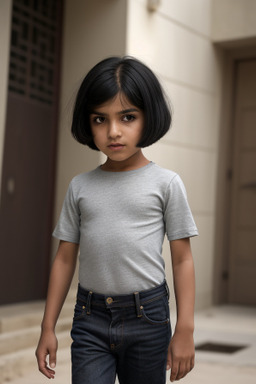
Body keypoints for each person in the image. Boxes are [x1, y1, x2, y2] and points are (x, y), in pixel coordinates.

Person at [35, 56, 198, 384]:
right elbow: (65, 259)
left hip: (147, 318)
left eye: (127, 117)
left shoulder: (166, 184)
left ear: (148, 116)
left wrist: (184, 329)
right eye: (100, 119)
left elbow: (182, 260)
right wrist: (47, 327)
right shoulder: (80, 186)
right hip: (89, 317)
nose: (113, 131)